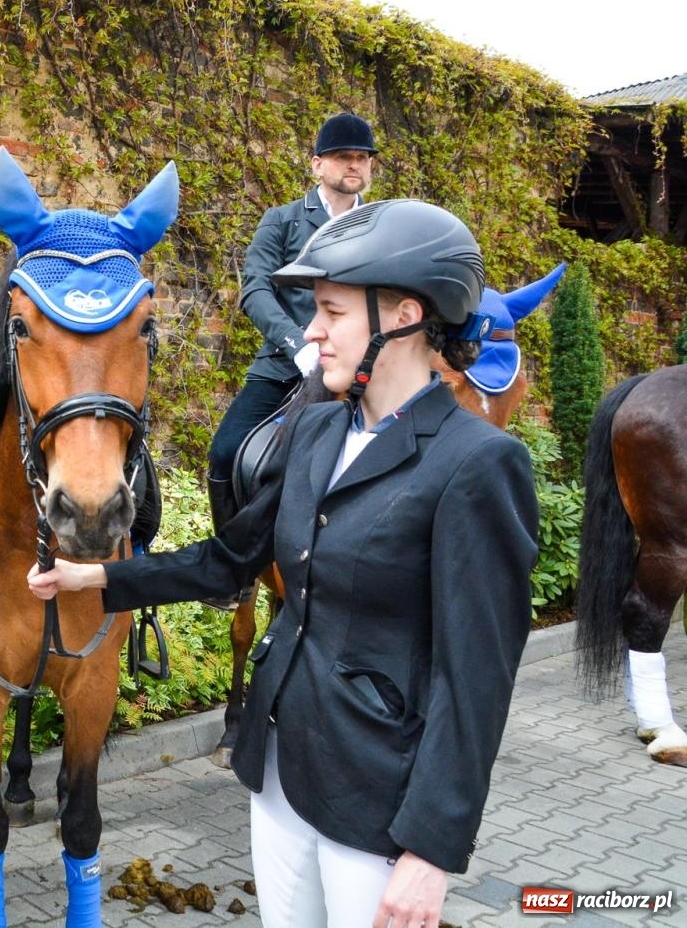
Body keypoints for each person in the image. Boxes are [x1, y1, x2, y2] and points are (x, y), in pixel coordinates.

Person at [28, 199, 539, 928]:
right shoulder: (317, 427)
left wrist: (431, 849)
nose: (313, 330)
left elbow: (477, 677)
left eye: (330, 311)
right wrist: (99, 577)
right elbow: (229, 561)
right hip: (274, 770)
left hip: (377, 800)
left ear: (400, 315)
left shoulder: (480, 463)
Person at [206, 113, 377, 538]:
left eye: (362, 157)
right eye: (343, 157)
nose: (354, 165)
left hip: (362, 368)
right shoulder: (282, 220)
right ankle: (232, 570)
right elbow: (255, 291)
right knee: (225, 452)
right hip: (287, 364)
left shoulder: (380, 225)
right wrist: (297, 345)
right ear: (318, 164)